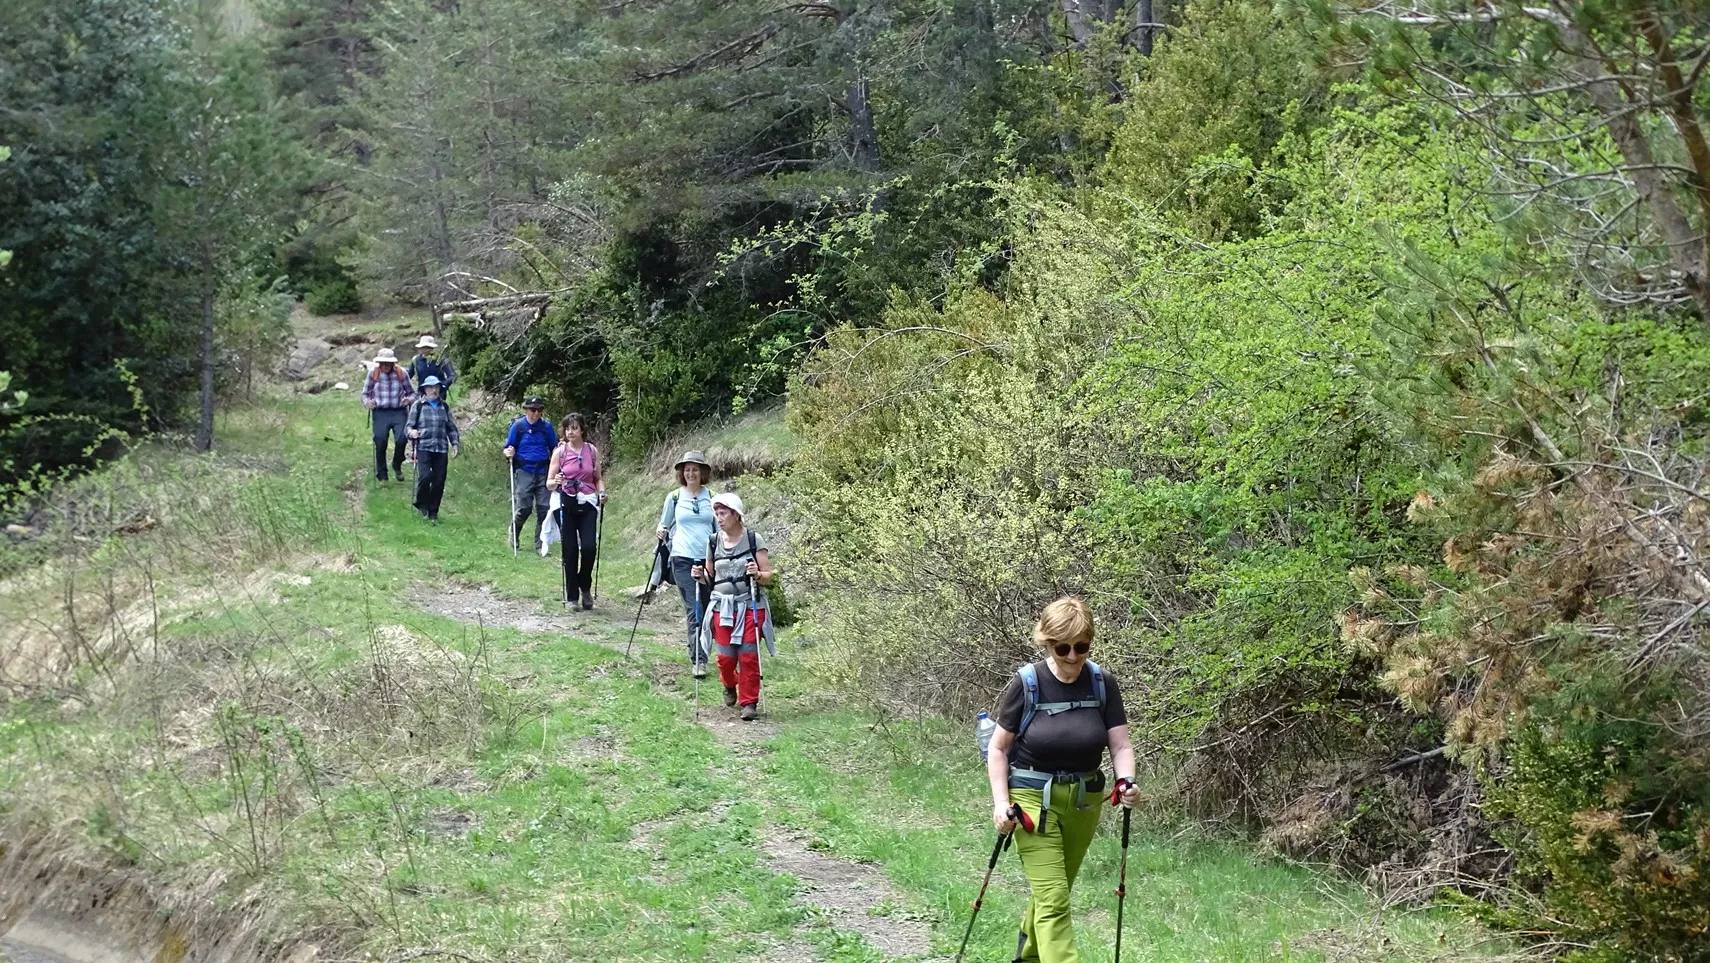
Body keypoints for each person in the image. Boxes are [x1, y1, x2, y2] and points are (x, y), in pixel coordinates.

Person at [985, 597, 1141, 963]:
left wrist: (1126, 781)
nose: (1073, 656)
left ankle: (1028, 957)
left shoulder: (1103, 684)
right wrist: (999, 804)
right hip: (1031, 800)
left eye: (1081, 646)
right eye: (1063, 647)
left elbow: (1120, 745)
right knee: (1054, 900)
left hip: (1083, 802)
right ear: (1047, 643)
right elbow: (998, 749)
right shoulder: (1027, 684)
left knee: (1053, 893)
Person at [692, 492, 775, 721]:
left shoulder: (753, 539)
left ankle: (749, 702)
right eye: (717, 514)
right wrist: (700, 575)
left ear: (736, 515)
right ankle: (729, 684)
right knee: (726, 658)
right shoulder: (712, 541)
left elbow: (769, 575)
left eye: (723, 513)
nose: (719, 518)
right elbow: (710, 577)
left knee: (748, 655)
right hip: (722, 607)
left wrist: (757, 574)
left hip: (750, 605)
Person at [656, 451, 717, 678]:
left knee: (708, 606)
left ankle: (702, 650)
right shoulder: (673, 497)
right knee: (695, 608)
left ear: (703, 473)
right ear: (683, 473)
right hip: (681, 558)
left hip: (709, 559)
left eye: (695, 469)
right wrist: (660, 531)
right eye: (687, 469)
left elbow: (719, 529)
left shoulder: (712, 497)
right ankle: (699, 660)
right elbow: (663, 525)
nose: (691, 473)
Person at [546, 413, 606, 609]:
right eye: (567, 428)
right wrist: (555, 482)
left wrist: (602, 492)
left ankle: (585, 586)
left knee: (589, 547)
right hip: (565, 502)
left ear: (582, 430)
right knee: (570, 550)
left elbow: (597, 477)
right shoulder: (560, 452)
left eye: (574, 428)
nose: (570, 431)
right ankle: (572, 596)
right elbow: (549, 482)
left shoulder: (592, 451)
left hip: (588, 502)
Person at [503, 397, 557, 552]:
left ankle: (540, 544)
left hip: (543, 471)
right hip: (524, 470)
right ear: (526, 410)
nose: (536, 413)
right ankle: (514, 532)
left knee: (544, 508)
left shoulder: (546, 427)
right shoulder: (518, 426)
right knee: (524, 508)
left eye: (539, 410)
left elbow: (554, 447)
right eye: (533, 410)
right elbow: (508, 447)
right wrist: (508, 452)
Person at [405, 375, 460, 522]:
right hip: (424, 447)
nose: (433, 390)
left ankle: (433, 512)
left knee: (439, 481)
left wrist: (455, 444)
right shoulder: (418, 405)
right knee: (425, 477)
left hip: (441, 449)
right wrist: (412, 432)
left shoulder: (445, 406)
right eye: (430, 387)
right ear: (424, 389)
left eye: (436, 387)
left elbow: (451, 428)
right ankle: (421, 504)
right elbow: (409, 426)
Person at [361, 348, 415, 483]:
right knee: (380, 442)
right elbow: (364, 394)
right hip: (380, 412)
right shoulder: (373, 373)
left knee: (402, 439)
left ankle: (397, 464)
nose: (384, 366)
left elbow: (412, 393)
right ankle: (382, 475)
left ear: (393, 363)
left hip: (399, 412)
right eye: (382, 363)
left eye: (387, 363)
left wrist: (408, 400)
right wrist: (367, 402)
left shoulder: (401, 373)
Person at [408, 335, 456, 400]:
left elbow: (452, 375)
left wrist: (443, 385)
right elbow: (407, 377)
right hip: (422, 394)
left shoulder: (441, 359)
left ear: (432, 348)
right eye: (423, 347)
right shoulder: (415, 360)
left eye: (428, 347)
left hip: (439, 394)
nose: (425, 350)